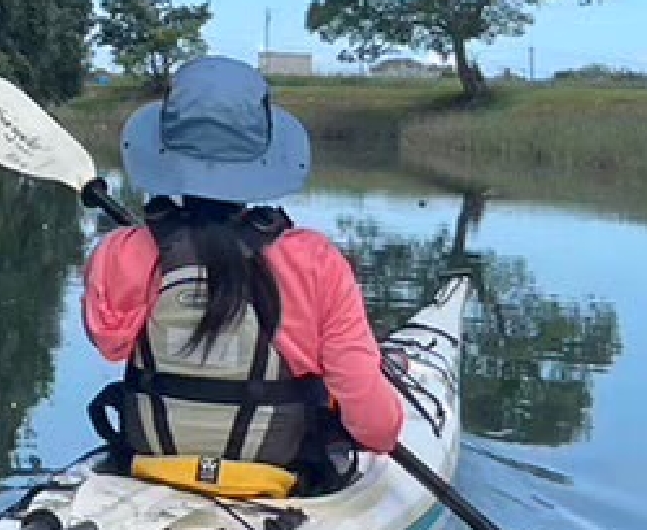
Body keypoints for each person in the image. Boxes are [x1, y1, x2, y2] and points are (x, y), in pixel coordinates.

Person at [81, 56, 405, 494]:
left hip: (154, 465)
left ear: (165, 147)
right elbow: (377, 428)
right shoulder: (314, 261)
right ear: (267, 153)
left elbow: (109, 344)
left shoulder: (121, 252)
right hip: (276, 476)